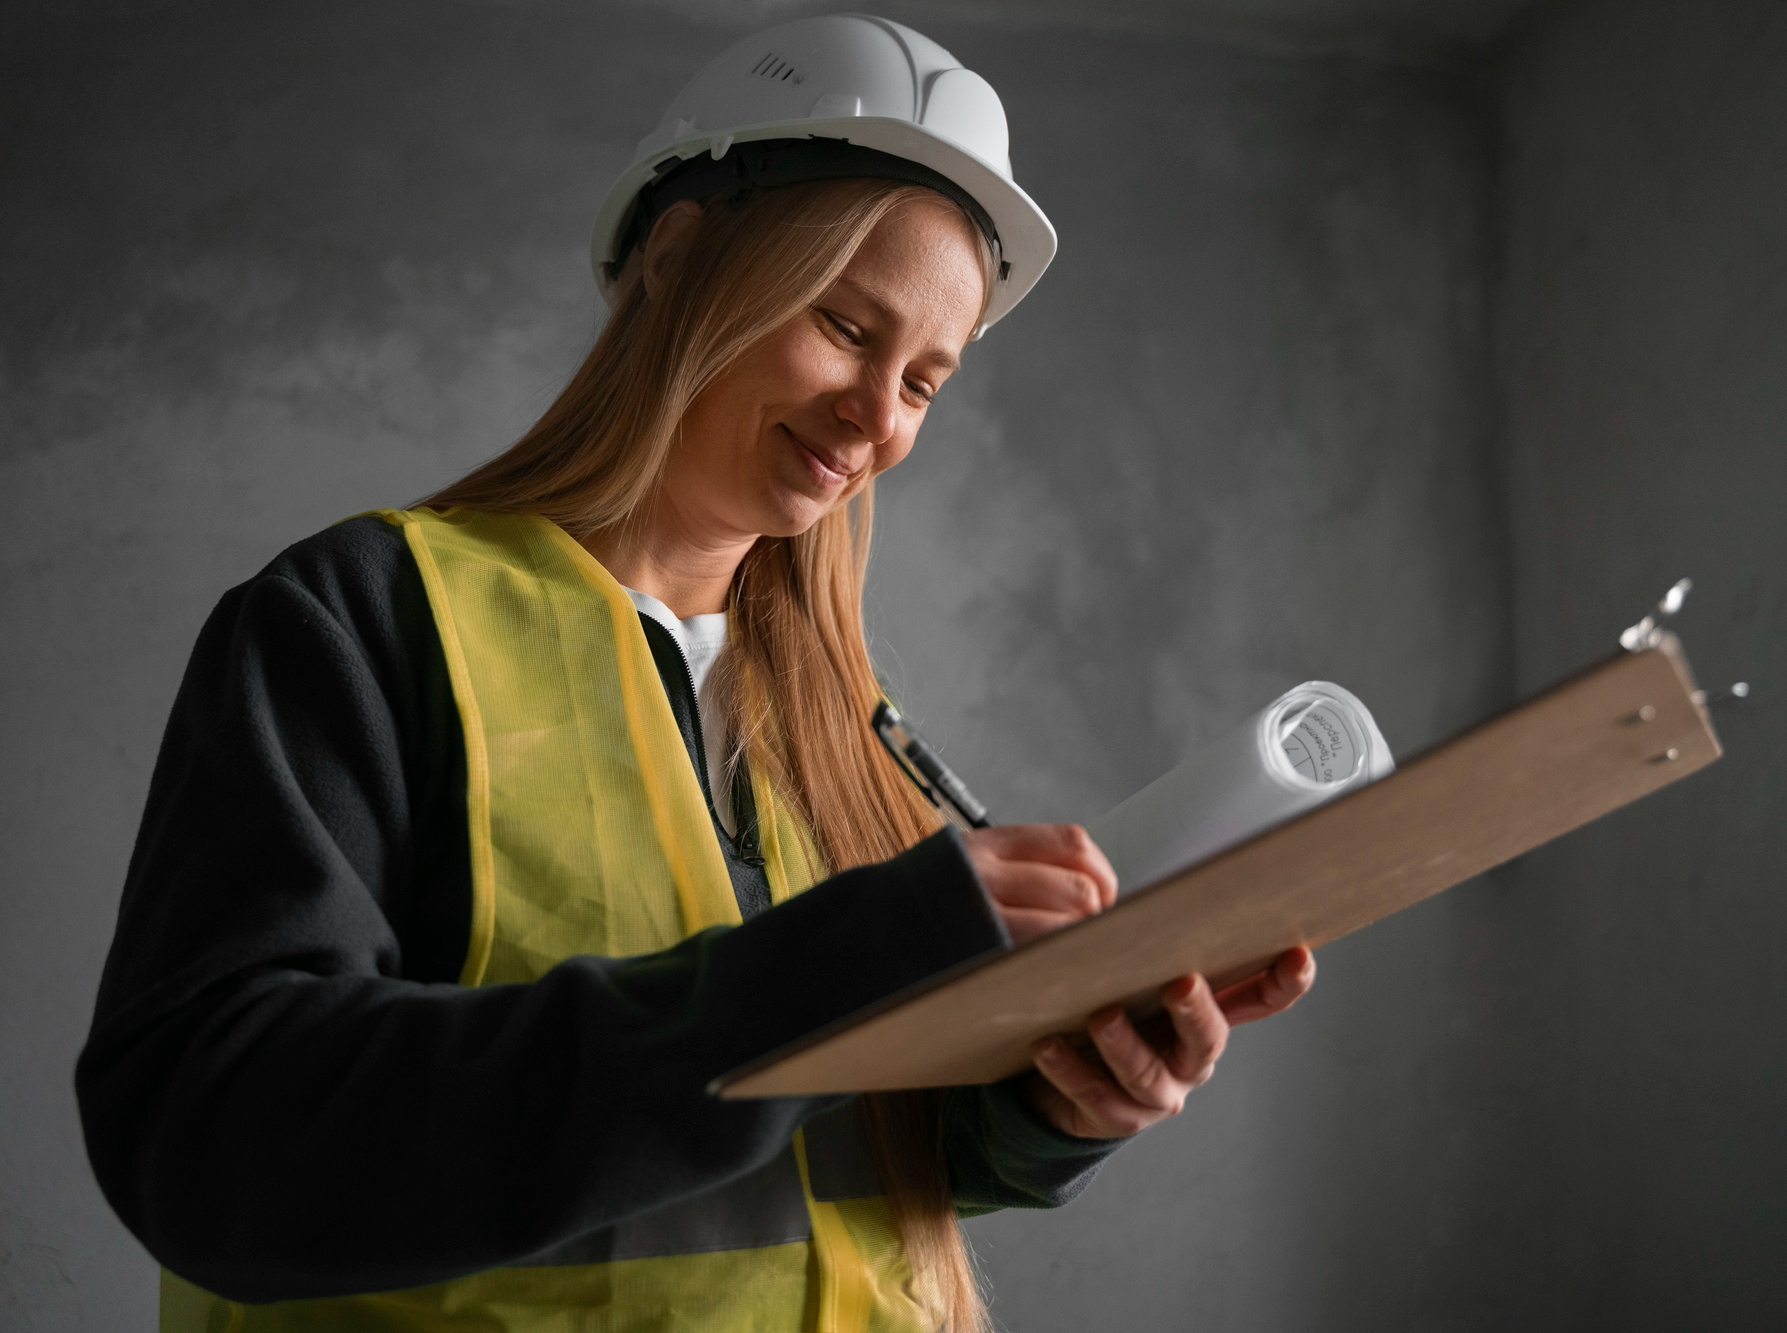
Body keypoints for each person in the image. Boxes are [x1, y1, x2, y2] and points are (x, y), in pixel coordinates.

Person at [75, 15, 1316, 1333]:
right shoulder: (365, 621)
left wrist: (1050, 1107)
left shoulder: (840, 731)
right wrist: (826, 971)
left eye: (927, 381)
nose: (878, 416)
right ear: (676, 260)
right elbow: (213, 1143)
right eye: (847, 324)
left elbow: (827, 1163)